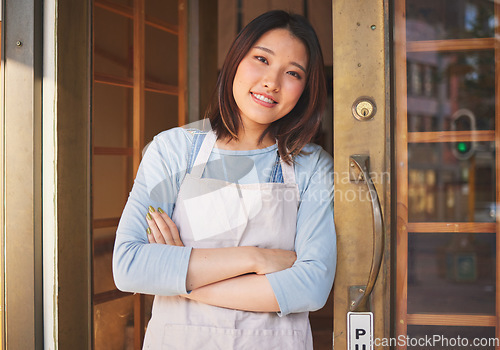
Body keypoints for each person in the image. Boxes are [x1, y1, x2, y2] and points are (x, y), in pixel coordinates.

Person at [113, 10, 336, 349]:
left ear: (305, 89)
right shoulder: (173, 150)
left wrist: (178, 278)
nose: (271, 82)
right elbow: (129, 265)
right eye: (261, 59)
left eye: (293, 73)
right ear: (235, 61)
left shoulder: (311, 166)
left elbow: (310, 287)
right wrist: (255, 259)